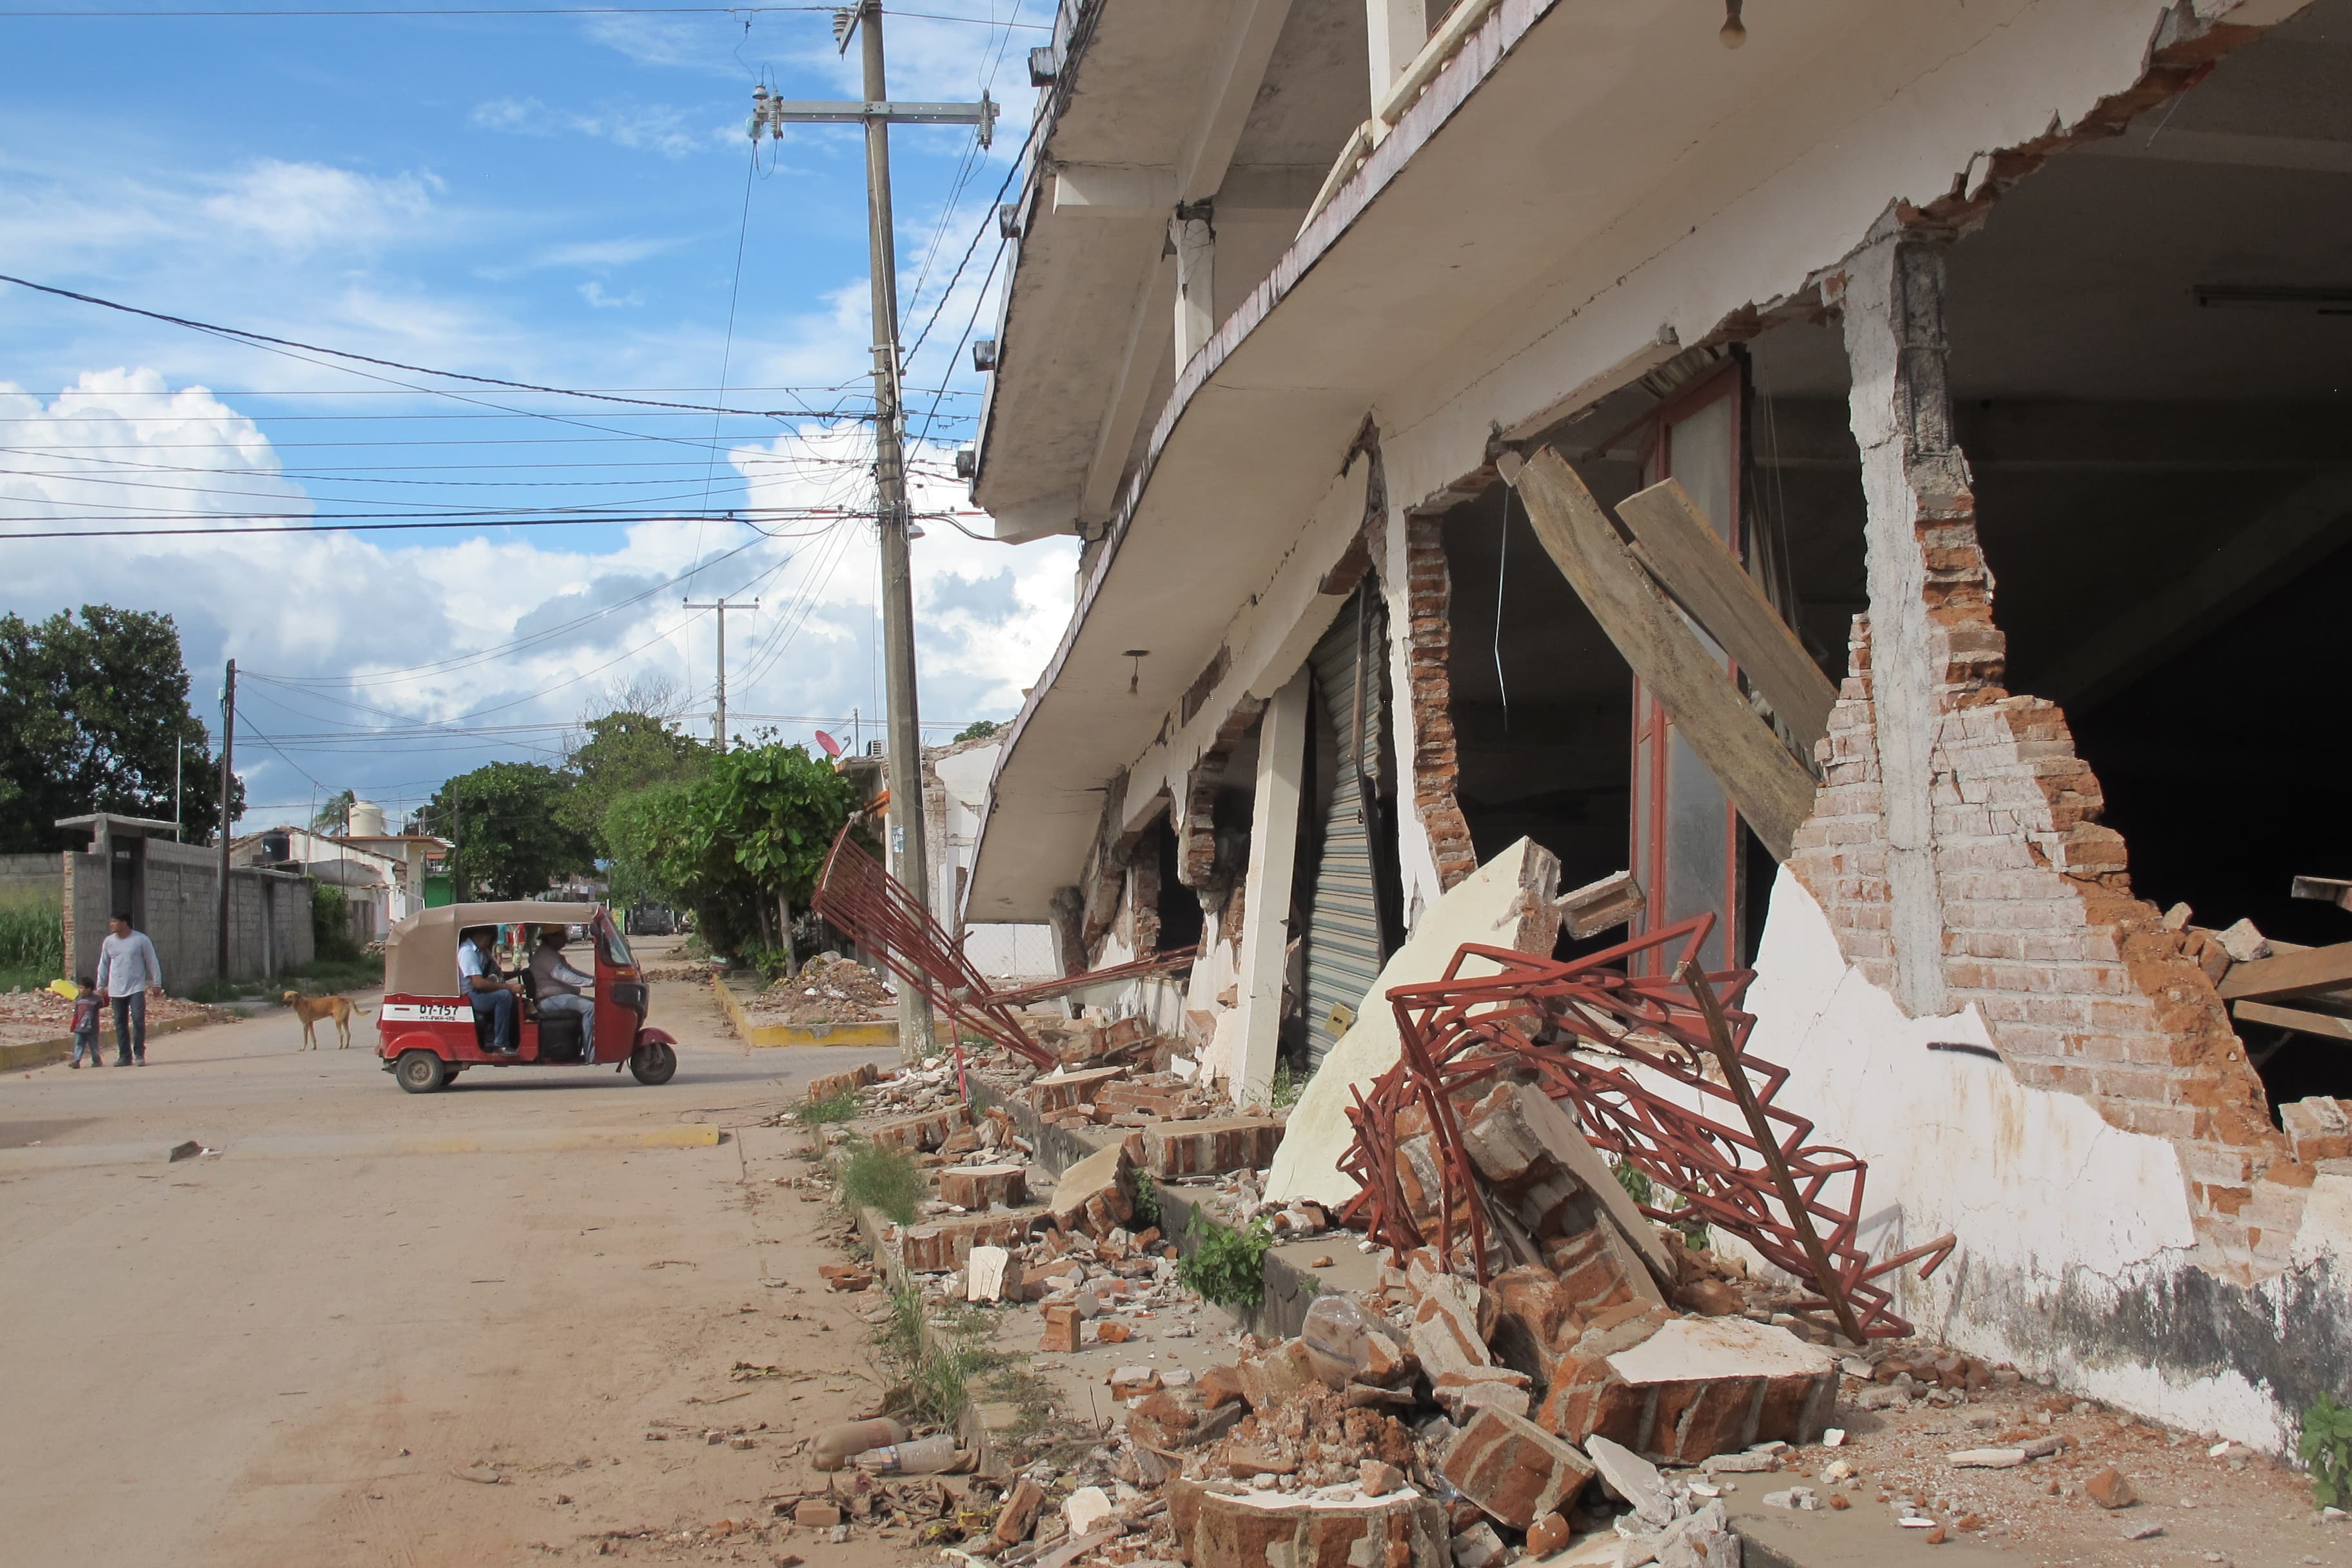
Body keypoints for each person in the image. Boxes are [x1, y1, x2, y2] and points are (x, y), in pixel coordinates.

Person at [95, 912, 162, 1066]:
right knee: (120, 1023)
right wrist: (100, 985)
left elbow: (152, 961)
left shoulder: (141, 940)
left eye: (114, 922)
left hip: (136, 987)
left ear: (124, 923)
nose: (111, 925)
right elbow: (104, 964)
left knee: (138, 1020)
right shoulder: (109, 942)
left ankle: (139, 1053)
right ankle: (125, 1056)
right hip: (115, 988)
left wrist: (157, 983)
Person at [529, 927, 596, 1055]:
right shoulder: (545, 956)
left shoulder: (552, 954)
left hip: (560, 998)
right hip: (550, 1000)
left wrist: (594, 979)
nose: (566, 939)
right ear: (552, 937)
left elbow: (573, 972)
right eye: (562, 936)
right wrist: (592, 983)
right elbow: (565, 976)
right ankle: (591, 1054)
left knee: (599, 1004)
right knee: (590, 1008)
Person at [458, 926, 520, 1052]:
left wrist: (520, 973)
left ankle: (511, 1038)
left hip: (478, 992)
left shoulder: (481, 952)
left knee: (512, 998)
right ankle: (500, 1043)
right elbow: (478, 983)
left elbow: (497, 975)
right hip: (470, 995)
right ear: (482, 936)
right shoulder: (468, 952)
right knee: (504, 996)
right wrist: (509, 987)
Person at [69, 979, 104, 1068]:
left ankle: (97, 1061)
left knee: (93, 1045)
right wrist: (73, 1025)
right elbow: (76, 1014)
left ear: (88, 989)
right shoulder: (79, 999)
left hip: (92, 1028)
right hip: (79, 1027)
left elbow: (104, 1004)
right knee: (79, 1044)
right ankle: (77, 1061)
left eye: (81, 988)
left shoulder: (96, 1000)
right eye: (79, 988)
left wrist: (104, 995)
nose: (79, 990)